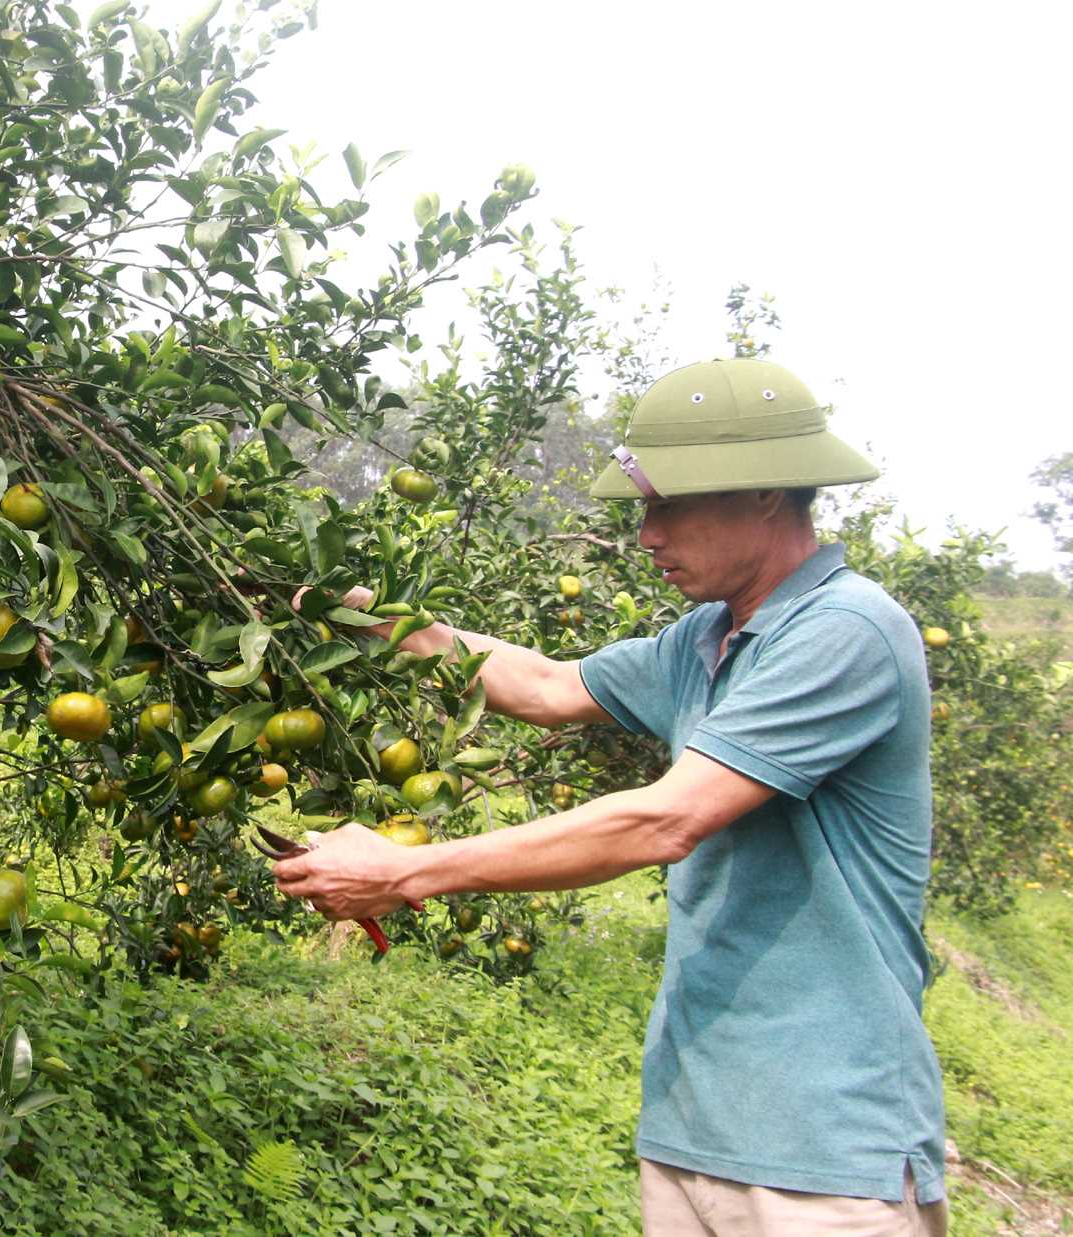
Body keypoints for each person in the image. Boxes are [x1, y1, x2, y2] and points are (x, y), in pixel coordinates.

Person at [271, 359, 947, 1235]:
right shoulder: (707, 637)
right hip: (697, 1124)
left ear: (766, 493)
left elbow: (667, 818)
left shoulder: (844, 631)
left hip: (825, 1148)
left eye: (671, 506)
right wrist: (352, 611)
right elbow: (546, 684)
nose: (647, 536)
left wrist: (405, 871)